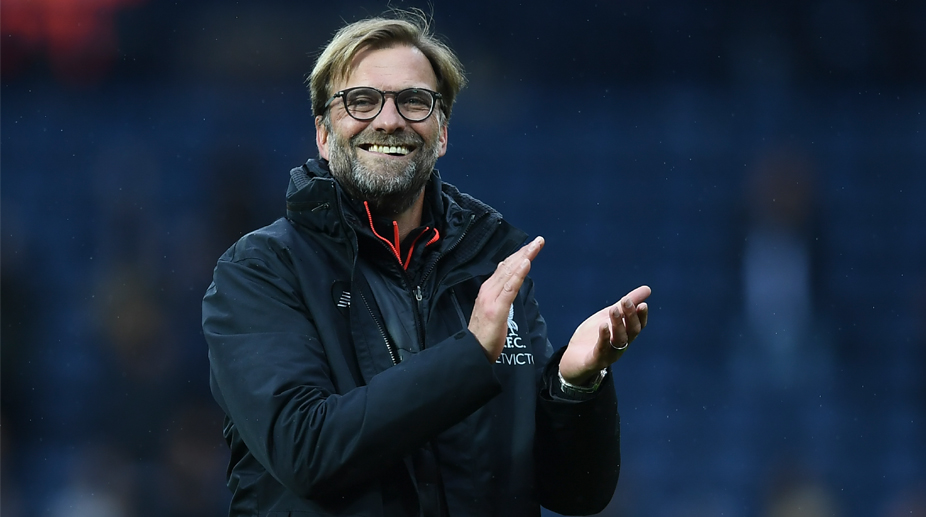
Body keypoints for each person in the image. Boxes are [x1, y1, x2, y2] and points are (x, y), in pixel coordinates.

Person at [202, 11, 651, 517]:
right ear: (324, 135)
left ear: (441, 132)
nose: (389, 119)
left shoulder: (488, 265)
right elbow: (308, 452)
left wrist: (574, 385)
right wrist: (469, 356)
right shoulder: (260, 271)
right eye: (362, 101)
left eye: (414, 101)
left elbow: (574, 493)